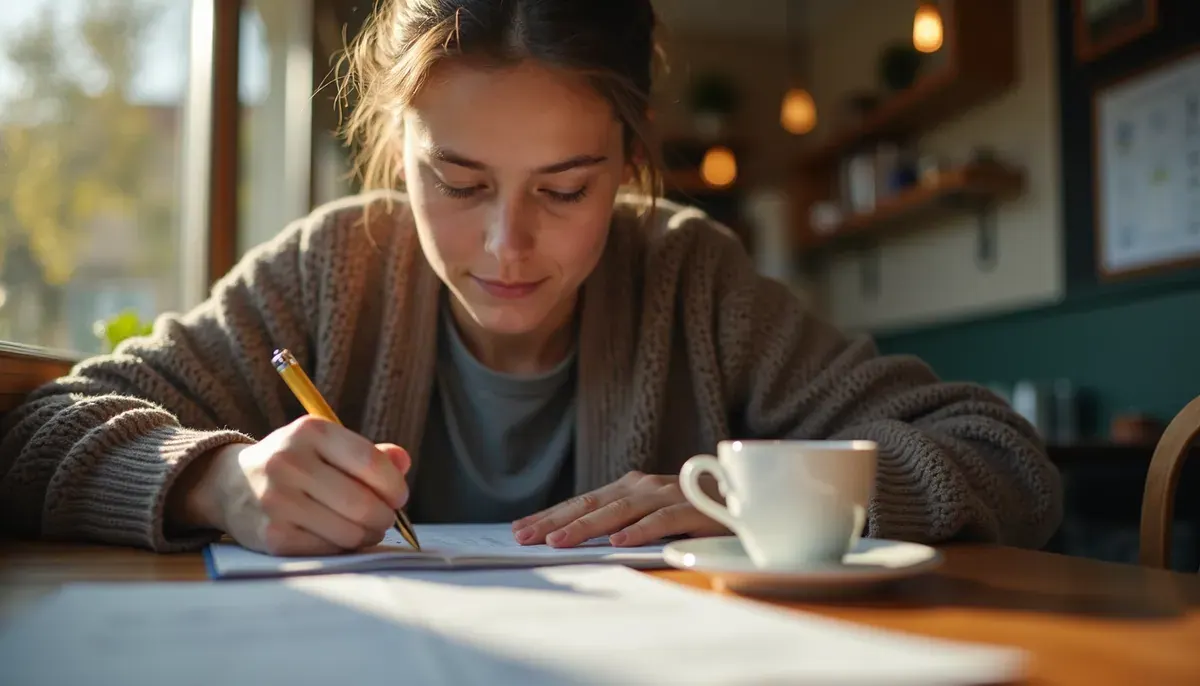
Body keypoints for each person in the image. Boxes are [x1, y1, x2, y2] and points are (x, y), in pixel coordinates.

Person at [0, 0, 1061, 557]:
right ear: (394, 152)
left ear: (632, 164)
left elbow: (1004, 460)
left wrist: (747, 500)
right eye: (457, 182)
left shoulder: (692, 276)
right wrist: (214, 481)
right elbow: (34, 430)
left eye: (565, 189)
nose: (508, 246)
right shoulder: (332, 269)